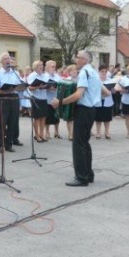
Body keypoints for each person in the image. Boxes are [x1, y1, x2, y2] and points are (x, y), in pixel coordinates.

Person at [51, 50, 109, 187]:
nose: (75, 60)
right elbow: (106, 93)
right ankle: (88, 174)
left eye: (77, 58)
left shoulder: (84, 72)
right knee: (85, 143)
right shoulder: (94, 72)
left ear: (84, 59)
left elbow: (78, 95)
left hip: (83, 110)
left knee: (78, 144)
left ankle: (81, 177)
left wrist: (59, 102)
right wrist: (94, 99)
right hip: (92, 110)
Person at [0, 52, 23, 153]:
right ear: (1, 62)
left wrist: (21, 87)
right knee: (2, 123)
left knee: (13, 122)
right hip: (3, 99)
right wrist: (5, 91)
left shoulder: (15, 73)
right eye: (5, 59)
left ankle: (8, 144)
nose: (8, 60)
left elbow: (20, 86)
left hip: (14, 99)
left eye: (9, 58)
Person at [27, 60, 49, 142]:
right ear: (35, 67)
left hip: (44, 98)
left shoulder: (44, 75)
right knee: (37, 117)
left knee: (43, 117)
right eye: (40, 65)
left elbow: (46, 85)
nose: (41, 66)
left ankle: (41, 134)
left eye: (42, 65)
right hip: (36, 98)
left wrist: (47, 86)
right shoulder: (32, 75)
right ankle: (36, 135)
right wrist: (38, 86)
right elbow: (30, 88)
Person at [43, 60, 62, 139]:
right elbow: (42, 86)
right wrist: (48, 87)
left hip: (56, 99)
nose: (54, 68)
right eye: (52, 67)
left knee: (56, 116)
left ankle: (56, 132)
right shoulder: (44, 76)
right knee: (47, 117)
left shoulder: (57, 76)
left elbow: (61, 84)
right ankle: (47, 132)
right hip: (48, 99)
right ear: (47, 67)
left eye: (55, 66)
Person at [95, 65, 114, 139]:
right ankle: (98, 132)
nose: (104, 73)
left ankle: (107, 132)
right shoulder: (96, 80)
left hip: (107, 100)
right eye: (102, 71)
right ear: (99, 72)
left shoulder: (110, 80)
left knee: (107, 118)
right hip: (99, 100)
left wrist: (113, 90)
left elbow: (113, 91)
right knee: (98, 118)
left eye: (105, 71)